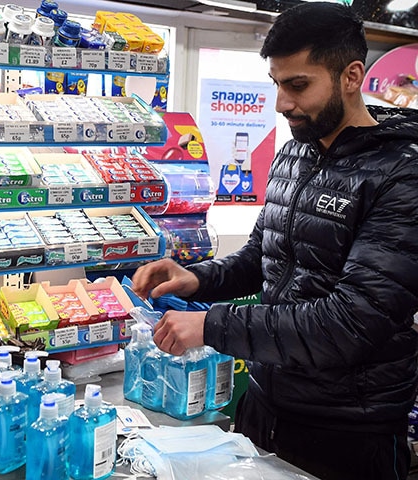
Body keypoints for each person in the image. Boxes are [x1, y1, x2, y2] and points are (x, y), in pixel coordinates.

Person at [132, 3, 418, 479]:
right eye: (277, 84)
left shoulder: (402, 173)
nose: (282, 103)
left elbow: (350, 323)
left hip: (347, 431)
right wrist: (195, 280)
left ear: (351, 76)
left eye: (298, 85)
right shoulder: (294, 154)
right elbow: (260, 259)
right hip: (266, 405)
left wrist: (210, 327)